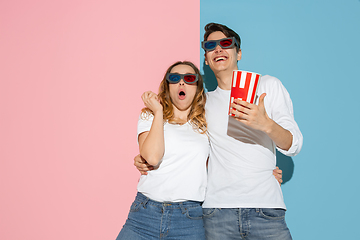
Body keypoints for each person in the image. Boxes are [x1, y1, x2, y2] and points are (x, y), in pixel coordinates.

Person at [135, 22, 303, 240]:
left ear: (239, 52)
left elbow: (294, 144)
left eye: (226, 43)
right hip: (217, 213)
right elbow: (186, 144)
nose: (218, 49)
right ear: (206, 58)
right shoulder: (203, 105)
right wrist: (144, 158)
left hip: (265, 207)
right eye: (210, 45)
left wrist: (266, 124)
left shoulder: (267, 86)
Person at [116, 61, 209, 239]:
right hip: (144, 214)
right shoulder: (149, 115)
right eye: (174, 78)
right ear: (167, 86)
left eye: (189, 78)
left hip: (189, 220)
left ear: (197, 87)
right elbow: (152, 156)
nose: (182, 83)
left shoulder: (206, 123)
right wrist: (158, 111)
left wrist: (266, 171)